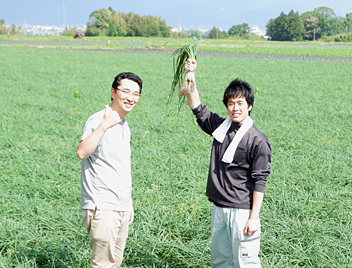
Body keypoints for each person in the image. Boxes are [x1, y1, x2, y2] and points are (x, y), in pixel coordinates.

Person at [184, 59, 271, 268]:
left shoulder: (257, 140)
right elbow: (195, 105)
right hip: (219, 208)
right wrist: (191, 75)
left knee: (246, 261)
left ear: (249, 106)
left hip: (241, 210)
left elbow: (260, 181)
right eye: (231, 103)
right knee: (220, 261)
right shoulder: (220, 128)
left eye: (240, 103)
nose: (235, 108)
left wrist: (254, 217)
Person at [76, 72, 143, 267]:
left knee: (115, 262)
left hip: (120, 205)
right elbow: (82, 152)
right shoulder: (98, 120)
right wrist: (103, 126)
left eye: (136, 94)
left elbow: (120, 166)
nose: (131, 98)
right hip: (102, 205)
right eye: (126, 91)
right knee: (103, 264)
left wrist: (128, 201)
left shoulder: (124, 125)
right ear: (113, 92)